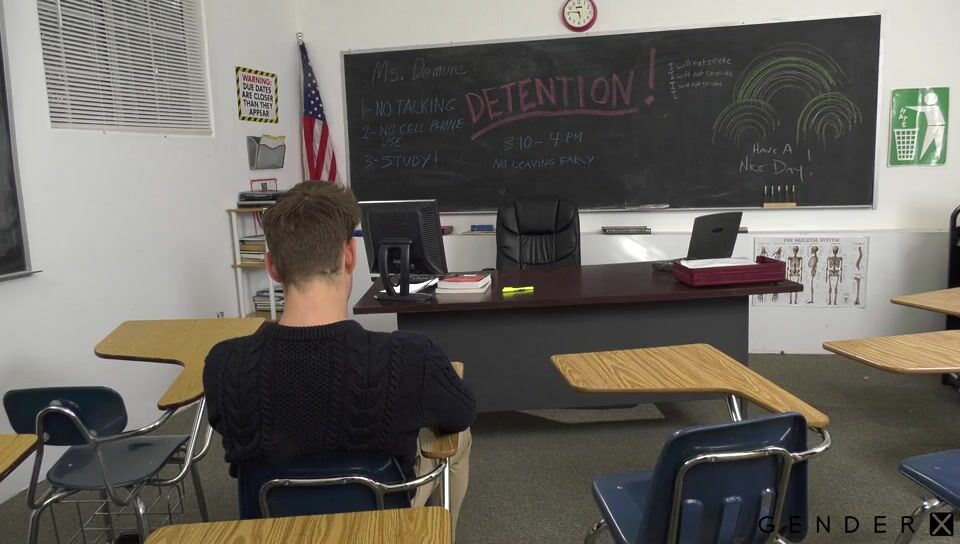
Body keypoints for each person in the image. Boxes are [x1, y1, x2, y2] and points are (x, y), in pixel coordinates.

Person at [203, 181, 476, 529]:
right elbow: (461, 414)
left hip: (273, 531)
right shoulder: (411, 357)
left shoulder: (224, 365)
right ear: (349, 255)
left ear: (272, 267)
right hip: (380, 528)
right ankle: (436, 531)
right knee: (458, 438)